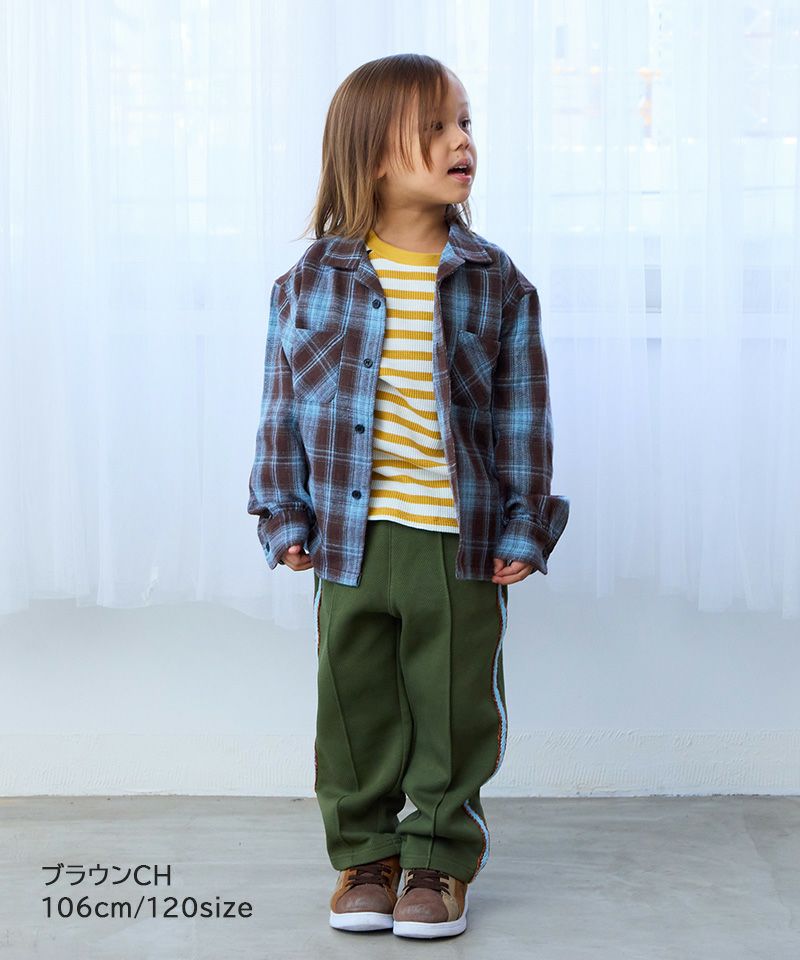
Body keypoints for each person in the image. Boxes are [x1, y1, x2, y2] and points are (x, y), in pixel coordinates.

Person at [247, 53, 570, 940]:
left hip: (458, 544)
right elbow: (282, 410)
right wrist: (283, 514)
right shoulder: (309, 282)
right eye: (435, 127)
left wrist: (525, 525)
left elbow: (522, 416)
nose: (462, 141)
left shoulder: (496, 282)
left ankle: (436, 858)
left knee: (456, 708)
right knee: (352, 706)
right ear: (374, 154)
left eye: (464, 122)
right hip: (349, 540)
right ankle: (365, 856)